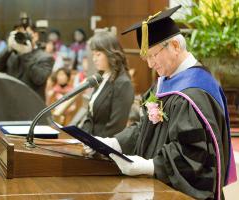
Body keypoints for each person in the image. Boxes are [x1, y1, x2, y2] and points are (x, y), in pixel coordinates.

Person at [84, 5, 237, 200]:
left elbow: (194, 155)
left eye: (153, 55)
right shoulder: (166, 82)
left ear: (174, 46)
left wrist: (150, 165)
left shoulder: (197, 91)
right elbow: (145, 128)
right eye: (145, 57)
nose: (150, 64)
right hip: (156, 189)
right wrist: (113, 143)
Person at [81, 31, 134, 138]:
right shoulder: (101, 77)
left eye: (98, 54)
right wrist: (83, 137)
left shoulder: (123, 83)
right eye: (93, 54)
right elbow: (90, 116)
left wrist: (95, 145)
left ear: (110, 54)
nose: (94, 59)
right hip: (90, 143)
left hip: (105, 148)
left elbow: (116, 126)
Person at [0, 24, 54, 101]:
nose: (21, 37)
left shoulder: (45, 57)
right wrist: (9, 48)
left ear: (35, 36)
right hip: (11, 101)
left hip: (32, 104)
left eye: (25, 34)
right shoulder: (11, 54)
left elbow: (38, 79)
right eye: (18, 34)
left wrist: (26, 54)